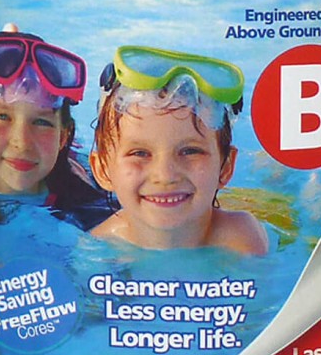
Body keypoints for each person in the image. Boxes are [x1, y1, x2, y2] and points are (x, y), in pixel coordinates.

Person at [88, 46, 269, 255]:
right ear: (103, 170)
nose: (165, 176)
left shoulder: (240, 238)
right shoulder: (98, 249)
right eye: (140, 153)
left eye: (190, 151)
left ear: (225, 167)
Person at [0, 28, 108, 229]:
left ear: (63, 137)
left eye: (42, 122)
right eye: (3, 117)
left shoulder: (88, 206)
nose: (22, 142)